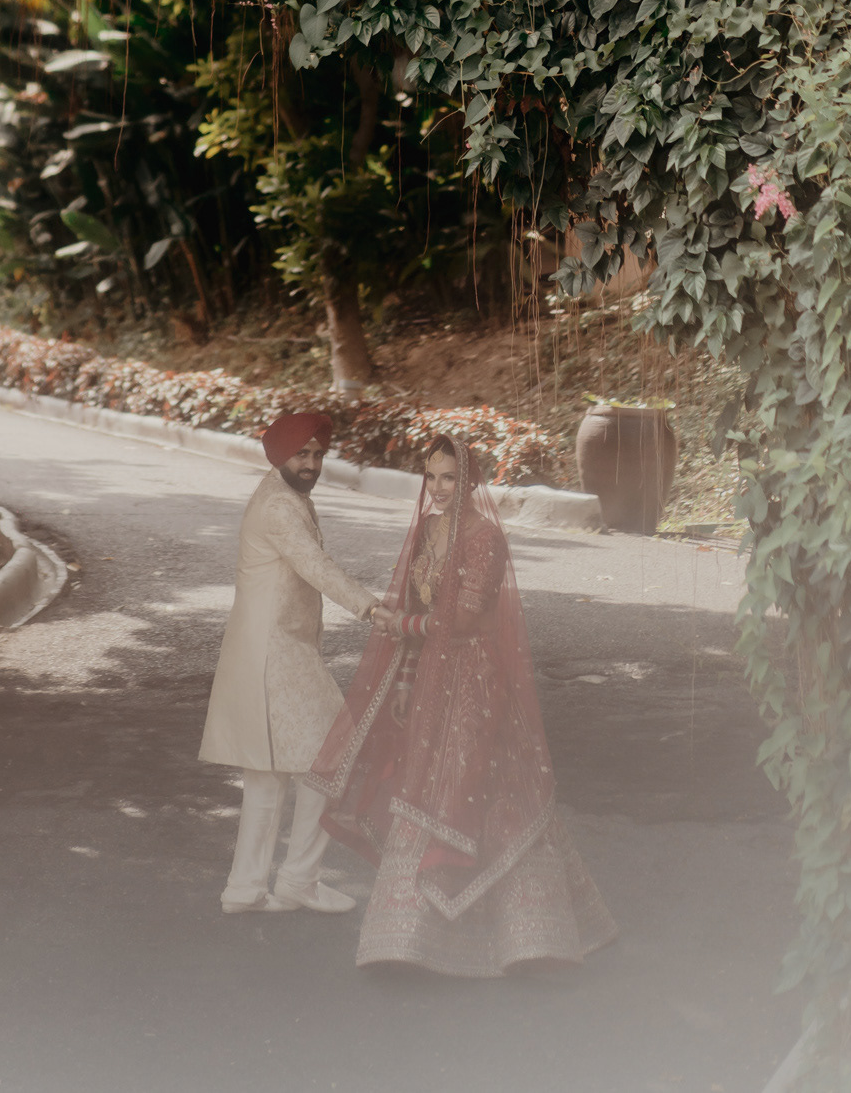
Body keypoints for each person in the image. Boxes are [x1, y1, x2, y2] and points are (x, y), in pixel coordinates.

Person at [307, 433, 616, 976]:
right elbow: (419, 607)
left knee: (483, 784)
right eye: (431, 477)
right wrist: (405, 681)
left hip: (474, 679)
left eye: (450, 477)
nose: (439, 487)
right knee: (424, 783)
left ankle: (529, 935)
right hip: (430, 678)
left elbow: (467, 618)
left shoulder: (484, 537)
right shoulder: (427, 530)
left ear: (470, 481)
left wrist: (402, 624)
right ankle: (407, 940)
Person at [199, 409, 398, 916]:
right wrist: (370, 607)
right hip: (274, 653)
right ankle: (296, 881)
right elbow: (314, 566)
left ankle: (247, 889)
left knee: (274, 773)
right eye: (301, 454)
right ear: (277, 454)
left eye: (318, 454)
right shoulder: (280, 506)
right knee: (330, 755)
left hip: (273, 648)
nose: (311, 464)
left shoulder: (286, 495)